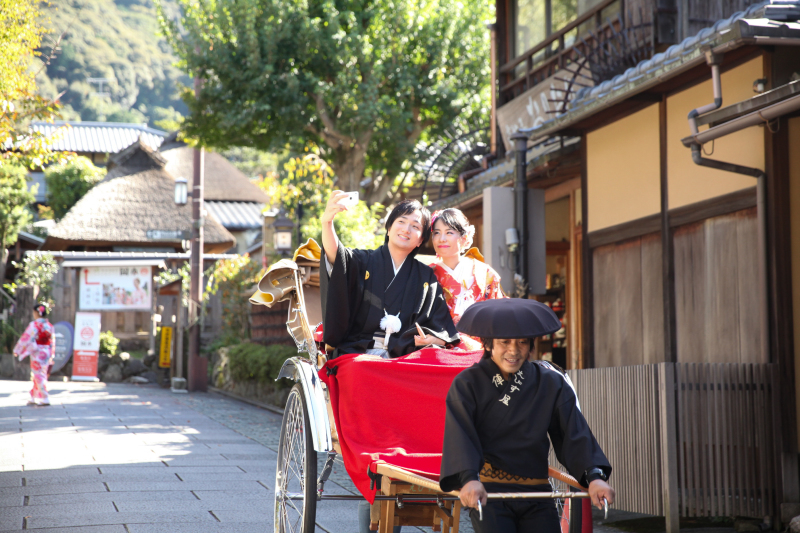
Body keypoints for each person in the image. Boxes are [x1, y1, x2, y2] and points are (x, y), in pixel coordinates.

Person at [439, 298, 615, 533]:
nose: (514, 350)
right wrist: (469, 479)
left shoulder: (551, 383)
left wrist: (595, 477)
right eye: (505, 342)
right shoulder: (467, 384)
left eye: (522, 342)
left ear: (531, 345)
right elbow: (461, 436)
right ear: (489, 345)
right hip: (489, 493)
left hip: (538, 492)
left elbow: (573, 432)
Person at [320, 192, 459, 359]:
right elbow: (336, 255)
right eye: (401, 221)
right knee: (358, 370)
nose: (406, 229)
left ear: (421, 240)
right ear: (389, 227)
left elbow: (439, 322)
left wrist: (435, 337)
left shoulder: (425, 276)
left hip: (405, 356)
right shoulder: (362, 260)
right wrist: (327, 222)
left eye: (415, 226)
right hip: (360, 352)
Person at [429, 208, 505, 350]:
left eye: (449, 232)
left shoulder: (485, 274)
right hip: (440, 352)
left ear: (464, 237)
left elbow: (499, 317)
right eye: (436, 233)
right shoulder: (426, 275)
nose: (441, 239)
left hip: (481, 352)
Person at [14, 302, 56, 407]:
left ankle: (45, 397)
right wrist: (52, 353)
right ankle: (34, 396)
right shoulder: (49, 326)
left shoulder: (34, 325)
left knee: (38, 375)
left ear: (36, 313)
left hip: (37, 351)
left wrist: (18, 349)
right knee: (40, 374)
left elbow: (26, 338)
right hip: (46, 351)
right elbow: (52, 341)